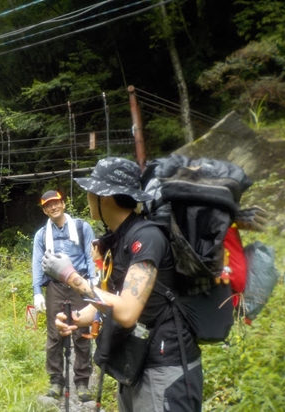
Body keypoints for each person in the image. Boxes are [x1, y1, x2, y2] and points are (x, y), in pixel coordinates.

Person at [41, 158, 203, 412]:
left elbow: (126, 312)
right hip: (137, 363)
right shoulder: (119, 239)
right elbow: (112, 299)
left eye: (91, 192)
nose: (87, 197)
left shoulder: (146, 237)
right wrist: (77, 317)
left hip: (165, 367)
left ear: (105, 197)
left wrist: (70, 276)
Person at [31, 190, 97, 402]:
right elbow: (37, 264)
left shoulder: (81, 227)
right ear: (44, 209)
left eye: (56, 203)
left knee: (81, 332)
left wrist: (93, 284)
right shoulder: (41, 235)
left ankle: (82, 382)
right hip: (55, 286)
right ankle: (56, 381)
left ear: (63, 204)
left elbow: (90, 256)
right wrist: (37, 292)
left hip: (80, 283)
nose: (53, 207)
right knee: (54, 335)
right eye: (48, 205)